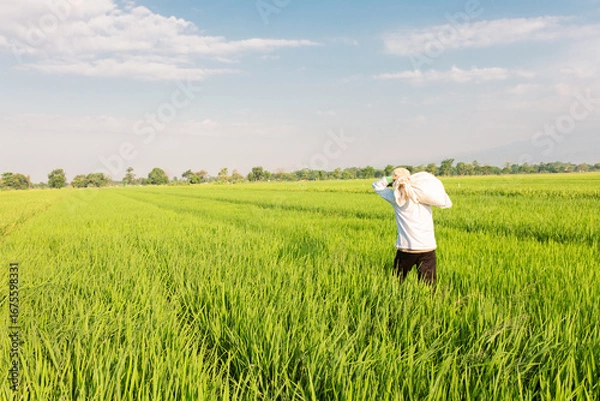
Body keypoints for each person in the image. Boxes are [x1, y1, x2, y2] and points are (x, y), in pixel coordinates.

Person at [372, 168, 452, 287]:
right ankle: (430, 304)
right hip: (428, 248)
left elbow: (377, 186)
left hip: (407, 248)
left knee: (397, 283)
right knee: (429, 286)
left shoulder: (396, 198)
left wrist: (391, 179)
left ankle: (398, 302)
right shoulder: (423, 195)